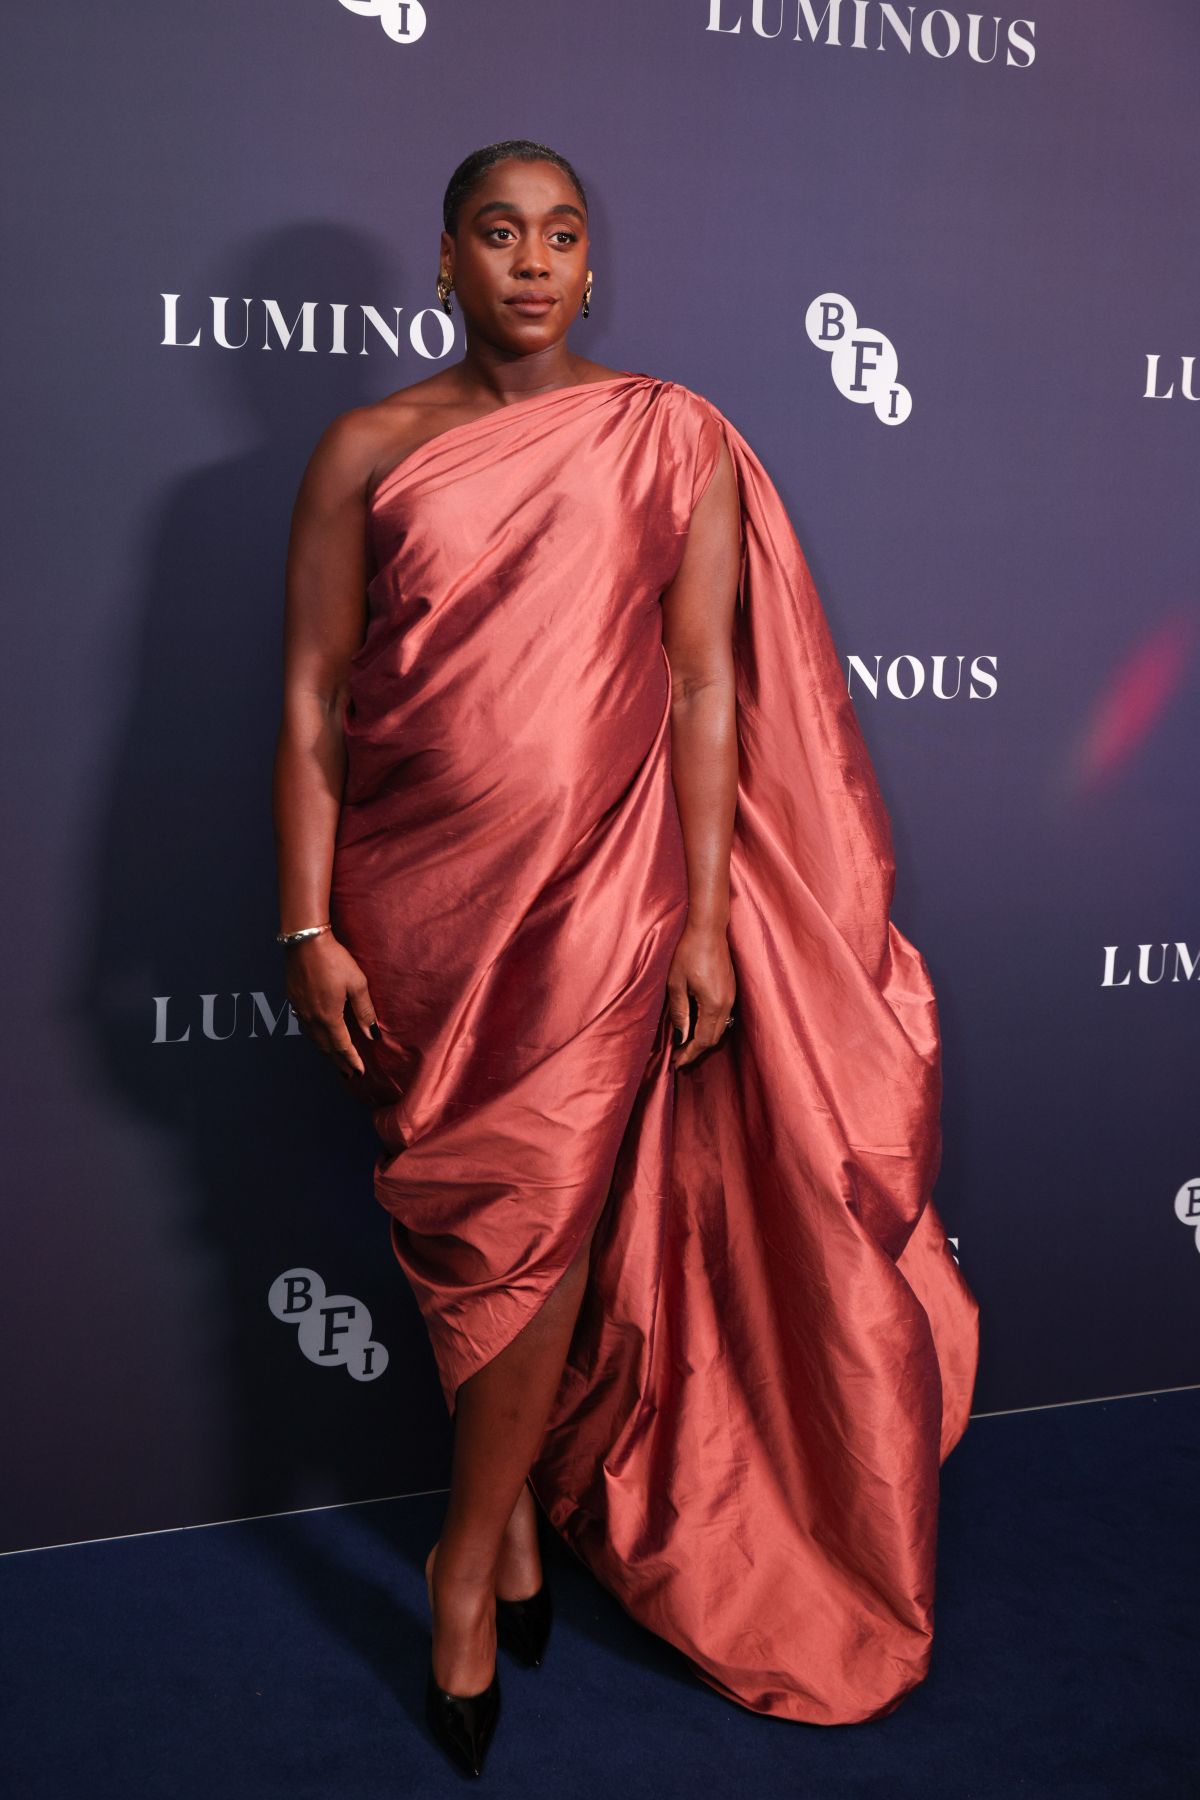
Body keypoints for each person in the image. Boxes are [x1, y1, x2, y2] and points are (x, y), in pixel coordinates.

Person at [272, 139, 980, 1778]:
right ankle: (514, 1523)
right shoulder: (365, 448)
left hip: (608, 895)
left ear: (595, 269)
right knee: (476, 1232)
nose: (531, 260)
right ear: (444, 261)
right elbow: (314, 701)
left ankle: (464, 1567)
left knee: (554, 1217)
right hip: (414, 905)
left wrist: (714, 914)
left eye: (563, 235)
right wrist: (308, 922)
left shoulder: (672, 436)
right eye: (498, 232)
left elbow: (708, 684)